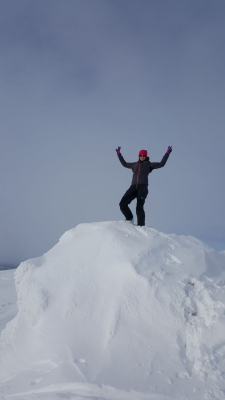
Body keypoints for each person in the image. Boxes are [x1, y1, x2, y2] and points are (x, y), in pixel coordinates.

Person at [116, 146, 172, 226]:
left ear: (146, 156)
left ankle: (141, 226)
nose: (142, 157)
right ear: (138, 156)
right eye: (141, 155)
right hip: (133, 187)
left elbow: (161, 164)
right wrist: (119, 154)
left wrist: (167, 153)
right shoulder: (134, 165)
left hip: (142, 187)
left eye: (144, 155)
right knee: (122, 203)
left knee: (139, 207)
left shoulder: (149, 165)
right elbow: (124, 164)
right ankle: (129, 218)